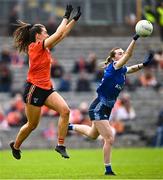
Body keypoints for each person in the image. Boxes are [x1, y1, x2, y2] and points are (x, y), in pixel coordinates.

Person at [68, 34, 153, 175]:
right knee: (109, 138)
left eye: (122, 52)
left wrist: (143, 65)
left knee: (92, 134)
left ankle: (69, 126)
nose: (122, 54)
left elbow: (131, 69)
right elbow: (129, 55)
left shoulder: (121, 70)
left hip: (106, 107)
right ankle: (108, 169)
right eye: (119, 53)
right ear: (114, 58)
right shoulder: (115, 66)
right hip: (99, 106)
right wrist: (135, 38)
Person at [9, 5, 81, 160]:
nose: (48, 34)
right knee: (32, 125)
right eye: (45, 32)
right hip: (34, 89)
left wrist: (74, 20)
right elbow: (58, 33)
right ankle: (15, 146)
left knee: (65, 111)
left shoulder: (45, 47)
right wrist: (66, 15)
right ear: (38, 36)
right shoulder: (34, 47)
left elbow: (62, 34)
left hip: (47, 88)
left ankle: (60, 145)